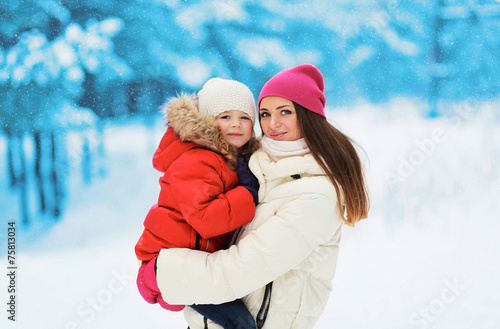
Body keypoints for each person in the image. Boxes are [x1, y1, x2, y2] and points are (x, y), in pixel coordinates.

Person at [143, 64, 370, 329]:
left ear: (308, 116)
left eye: (285, 111)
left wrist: (160, 273)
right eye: (265, 113)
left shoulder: (315, 195)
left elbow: (235, 272)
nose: (273, 124)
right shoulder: (256, 167)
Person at [134, 78, 261, 329]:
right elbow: (205, 218)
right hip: (166, 266)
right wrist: (248, 193)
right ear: (207, 122)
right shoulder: (197, 159)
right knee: (242, 324)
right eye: (225, 116)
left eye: (244, 117)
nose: (236, 123)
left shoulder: (227, 159)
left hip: (191, 262)